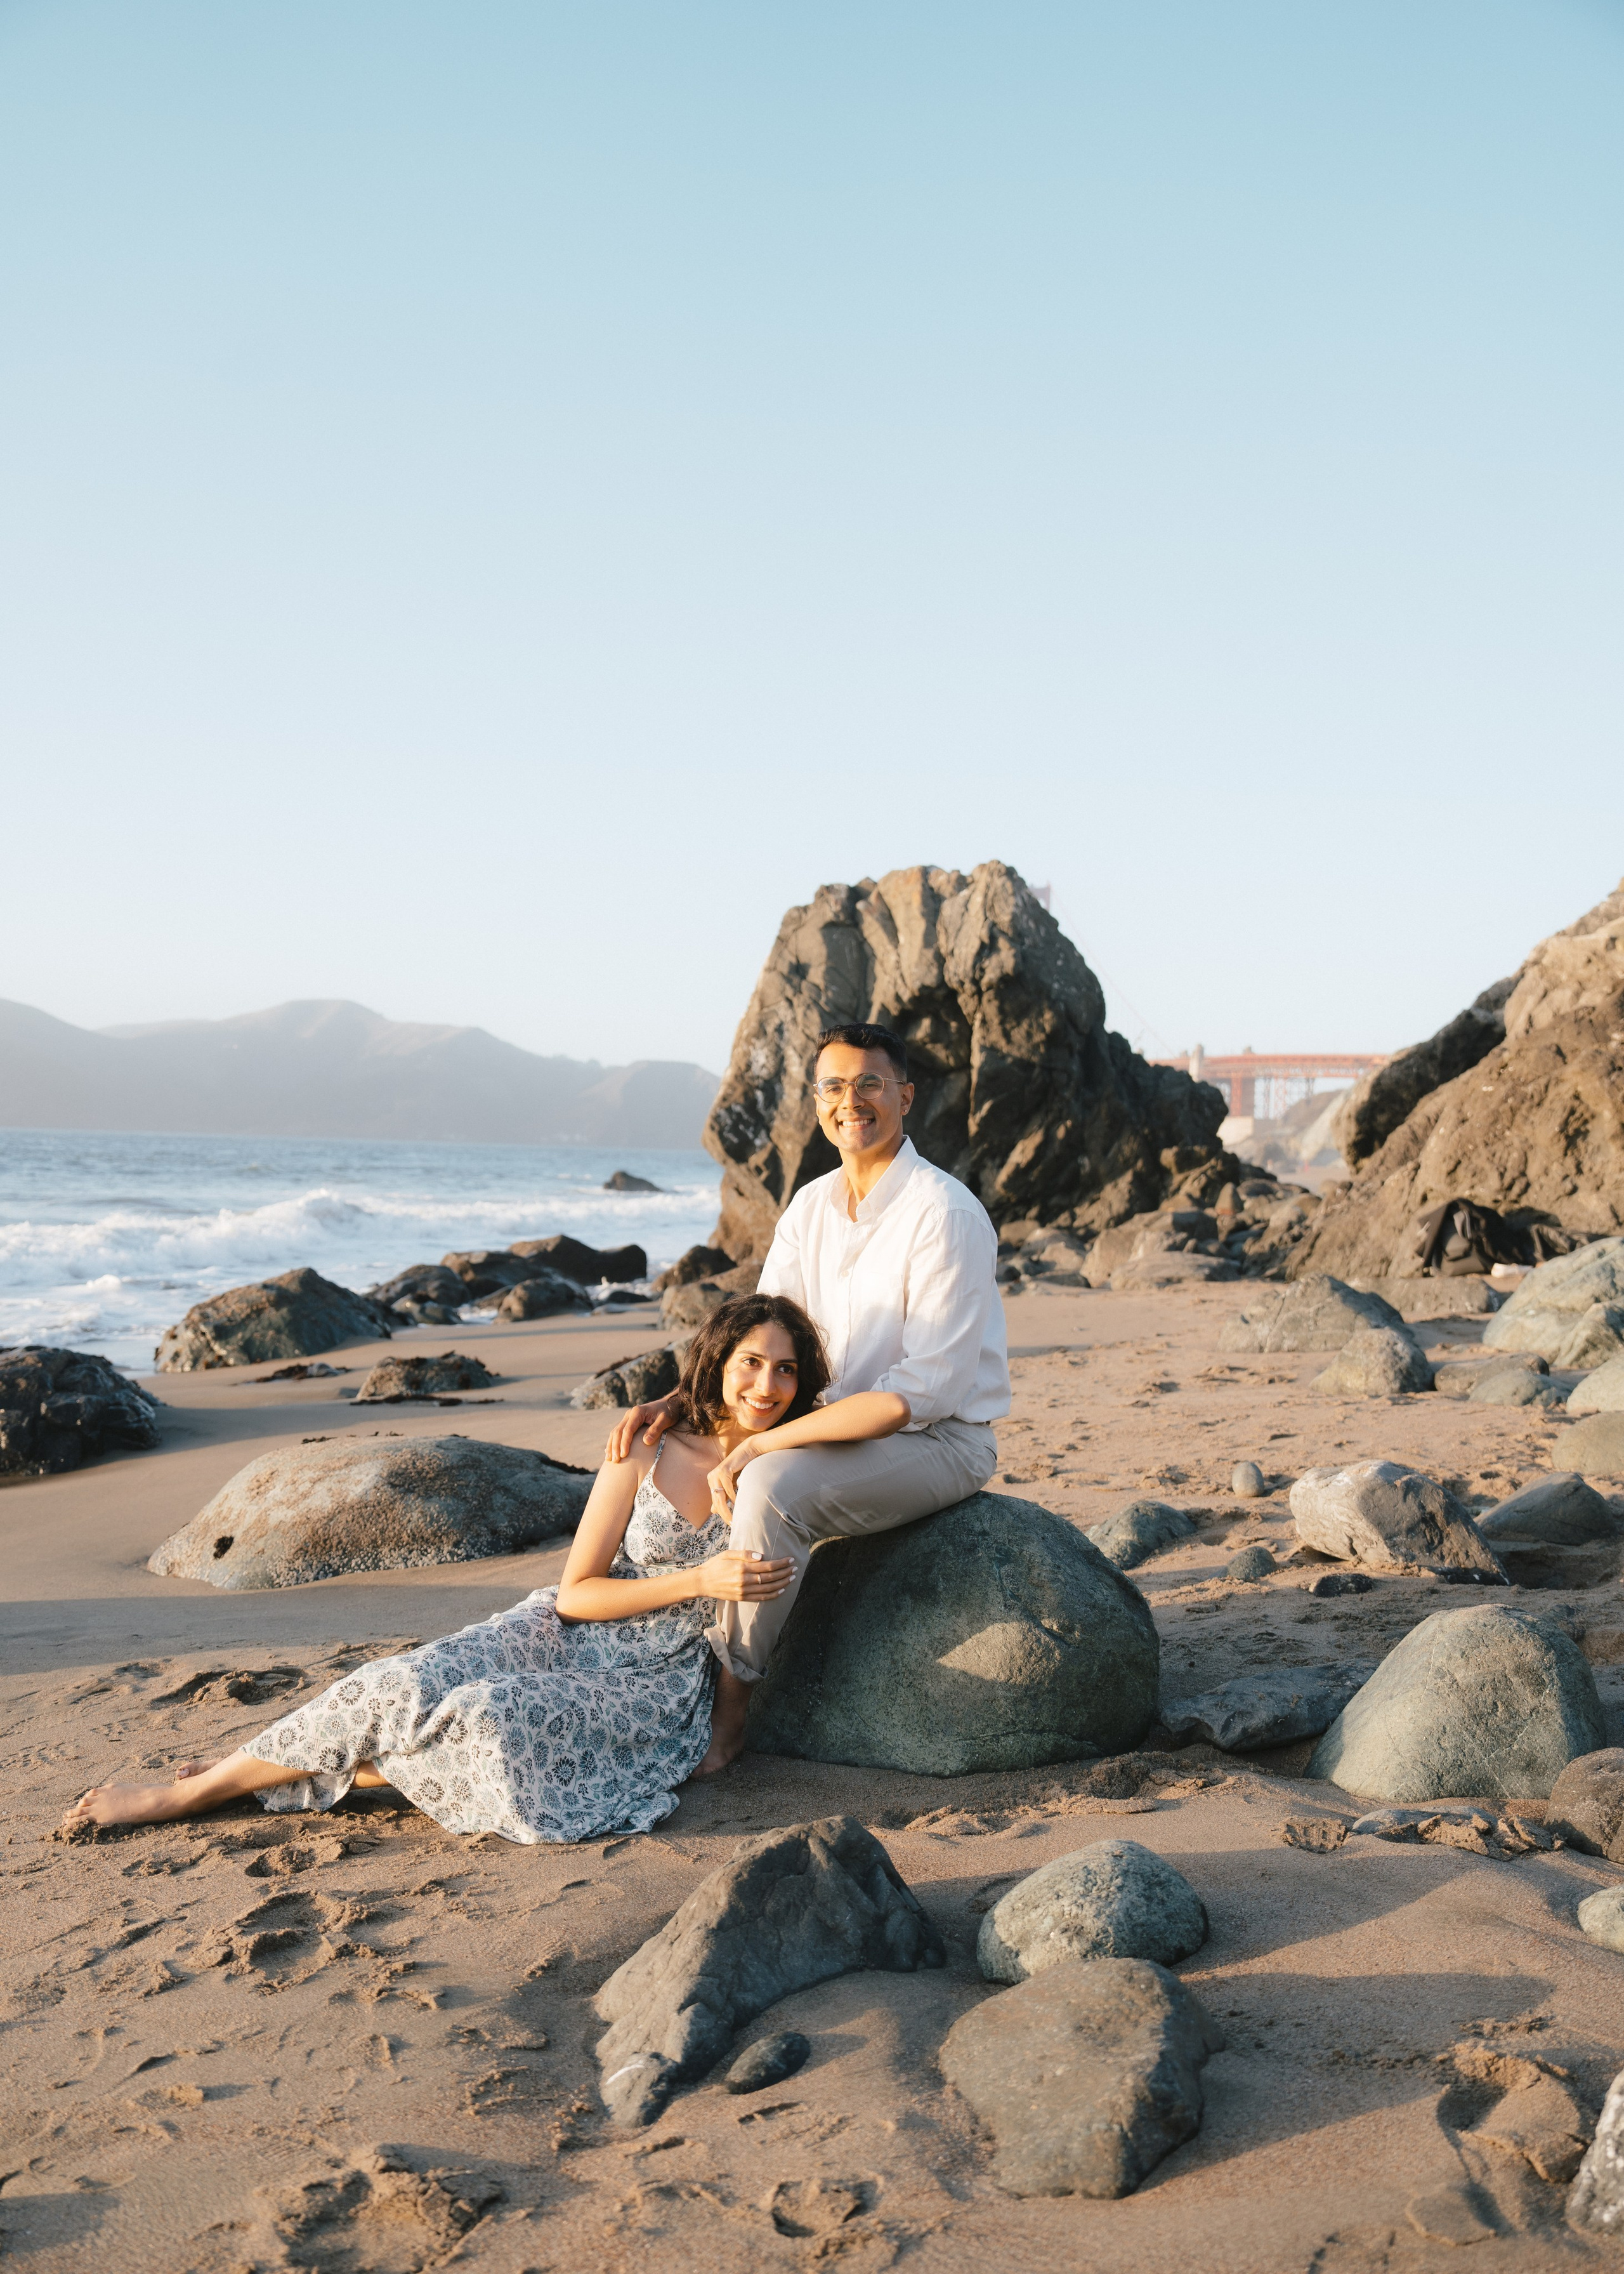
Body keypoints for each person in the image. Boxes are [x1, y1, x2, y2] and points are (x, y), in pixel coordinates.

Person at [64, 1294, 908, 1845]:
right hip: (570, 1628)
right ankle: (196, 1792)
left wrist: (763, 1446)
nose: (767, 1384)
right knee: (402, 1679)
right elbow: (578, 1592)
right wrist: (699, 1580)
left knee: (490, 1719)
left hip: (661, 1679)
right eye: (751, 1363)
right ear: (717, 1362)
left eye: (787, 1369)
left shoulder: (794, 1460)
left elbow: (890, 1410)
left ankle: (304, 1772)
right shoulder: (646, 1445)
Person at [610, 1021, 1009, 1773]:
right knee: (689, 1454)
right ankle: (657, 1650)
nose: (849, 1101)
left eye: (869, 1084)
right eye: (832, 1085)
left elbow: (919, 1393)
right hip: (830, 1427)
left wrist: (765, 1440)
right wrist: (676, 1400)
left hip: (939, 1439)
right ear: (816, 1100)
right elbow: (762, 1337)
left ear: (905, 1096)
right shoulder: (810, 1207)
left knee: (770, 1484)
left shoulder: (944, 1213)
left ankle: (731, 1714)